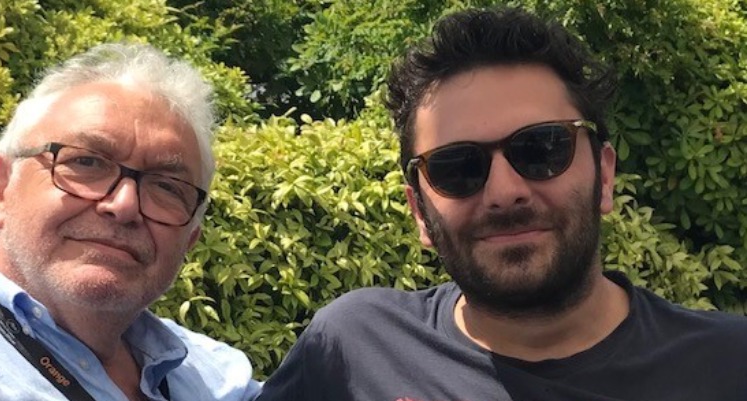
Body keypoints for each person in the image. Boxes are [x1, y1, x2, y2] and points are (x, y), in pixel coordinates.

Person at [256, 7, 747, 401]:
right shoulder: (352, 349)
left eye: (542, 148)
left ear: (604, 175)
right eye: (457, 167)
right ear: (418, 210)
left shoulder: (728, 364)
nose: (504, 191)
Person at [0, 43, 261, 401]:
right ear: (2, 189)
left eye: (166, 186)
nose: (124, 205)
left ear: (190, 239)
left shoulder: (220, 377)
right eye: (86, 162)